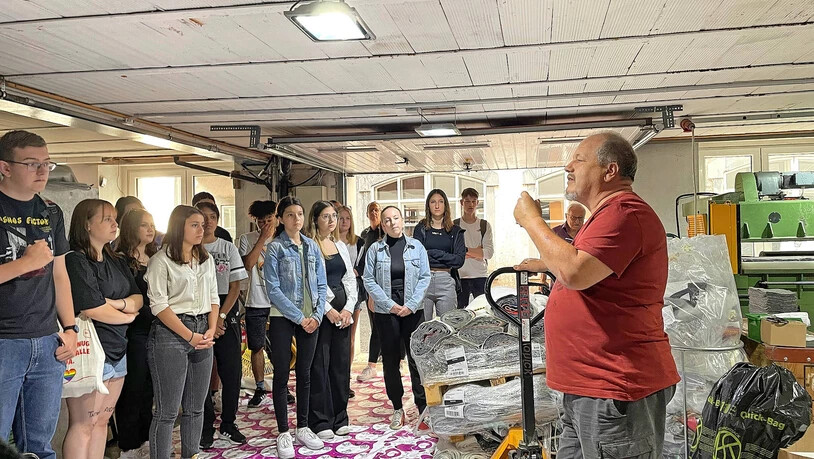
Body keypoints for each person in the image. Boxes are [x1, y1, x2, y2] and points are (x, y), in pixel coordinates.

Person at [513, 132, 679, 459]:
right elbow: (587, 269)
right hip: (589, 390)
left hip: (614, 389)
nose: (567, 165)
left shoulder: (625, 212)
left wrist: (532, 220)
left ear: (609, 171)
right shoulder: (604, 217)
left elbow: (575, 271)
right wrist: (548, 263)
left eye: (579, 159)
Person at [0, 130, 77, 459]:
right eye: (32, 164)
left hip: (47, 341)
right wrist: (25, 263)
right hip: (4, 341)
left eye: (47, 163)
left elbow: (59, 273)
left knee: (41, 448)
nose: (43, 171)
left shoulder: (50, 211)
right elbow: (33, 264)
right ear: (4, 167)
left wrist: (71, 328)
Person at [63, 199, 144, 459]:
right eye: (106, 218)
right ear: (87, 225)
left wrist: (120, 304)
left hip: (117, 349)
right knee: (83, 423)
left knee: (101, 423)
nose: (114, 223)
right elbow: (91, 308)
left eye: (114, 218)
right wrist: (128, 316)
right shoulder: (75, 260)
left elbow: (138, 297)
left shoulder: (116, 259)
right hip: (89, 352)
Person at [146, 205, 218, 459]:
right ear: (180, 227)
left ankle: (192, 454)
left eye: (203, 224)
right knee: (166, 411)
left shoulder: (204, 259)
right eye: (195, 225)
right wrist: (189, 335)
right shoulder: (161, 261)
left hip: (202, 329)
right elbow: (159, 306)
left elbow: (213, 296)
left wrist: (210, 328)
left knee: (196, 407)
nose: (202, 229)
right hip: (171, 333)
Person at [263, 196, 327, 459]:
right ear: (281, 219)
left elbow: (321, 285)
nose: (296, 219)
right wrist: (298, 317)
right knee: (281, 375)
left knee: (305, 373)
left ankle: (302, 426)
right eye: (290, 214)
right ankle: (283, 431)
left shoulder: (312, 247)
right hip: (282, 317)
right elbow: (273, 289)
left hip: (311, 317)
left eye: (299, 214)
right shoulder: (275, 248)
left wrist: (317, 315)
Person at [362, 206, 431, 430]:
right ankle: (397, 407)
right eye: (387, 220)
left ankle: (423, 408)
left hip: (413, 311)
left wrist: (410, 305)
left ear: (402, 220)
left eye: (395, 218)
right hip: (386, 312)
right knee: (391, 361)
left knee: (416, 360)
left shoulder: (416, 247)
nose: (392, 223)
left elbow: (425, 276)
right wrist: (390, 305)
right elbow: (368, 280)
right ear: (382, 225)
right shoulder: (375, 250)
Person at [196, 201, 249, 448]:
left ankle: (228, 423)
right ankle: (205, 426)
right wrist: (209, 320)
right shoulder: (190, 248)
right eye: (201, 217)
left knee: (231, 372)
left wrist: (222, 318)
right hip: (197, 313)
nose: (207, 222)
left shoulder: (227, 248)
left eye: (211, 217)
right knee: (202, 375)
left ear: (217, 220)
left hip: (225, 311)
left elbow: (235, 285)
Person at [306, 201, 357, 440]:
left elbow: (349, 279)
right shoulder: (310, 245)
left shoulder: (340, 245)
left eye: (334, 216)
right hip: (321, 312)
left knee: (340, 365)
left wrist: (348, 308)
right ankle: (320, 420)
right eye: (325, 216)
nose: (331, 220)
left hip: (343, 312)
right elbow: (312, 282)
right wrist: (327, 309)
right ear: (315, 219)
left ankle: (340, 417)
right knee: (320, 366)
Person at [240, 200, 296, 408]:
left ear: (276, 218)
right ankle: (260, 387)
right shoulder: (246, 239)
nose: (265, 225)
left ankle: (283, 386)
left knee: (282, 347)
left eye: (269, 220)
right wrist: (262, 239)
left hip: (280, 301)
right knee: (256, 346)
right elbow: (247, 264)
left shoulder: (285, 239)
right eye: (260, 222)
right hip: (255, 300)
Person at [114, 209, 158, 459]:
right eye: (144, 225)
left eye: (152, 224)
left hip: (156, 329)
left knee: (150, 388)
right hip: (133, 331)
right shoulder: (120, 260)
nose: (150, 229)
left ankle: (146, 439)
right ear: (131, 228)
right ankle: (129, 445)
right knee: (133, 387)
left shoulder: (156, 256)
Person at [413, 189, 466, 320]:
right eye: (433, 202)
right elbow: (416, 258)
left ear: (445, 205)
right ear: (428, 205)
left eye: (440, 202)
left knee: (448, 327)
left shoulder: (455, 231)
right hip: (423, 280)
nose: (437, 206)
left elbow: (459, 261)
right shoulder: (420, 229)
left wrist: (432, 253)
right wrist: (446, 257)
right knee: (422, 329)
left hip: (446, 281)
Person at [337, 205, 365, 399]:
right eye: (340, 218)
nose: (344, 222)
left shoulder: (359, 242)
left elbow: (360, 268)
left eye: (347, 218)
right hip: (334, 294)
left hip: (353, 292)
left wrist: (353, 273)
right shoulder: (329, 242)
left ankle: (346, 379)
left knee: (350, 338)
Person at [356, 201, 383, 383]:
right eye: (370, 210)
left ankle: (396, 360)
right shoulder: (365, 235)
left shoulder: (386, 231)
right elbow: (362, 260)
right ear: (367, 214)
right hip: (369, 285)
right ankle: (372, 364)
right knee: (375, 325)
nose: (374, 213)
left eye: (376, 210)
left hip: (387, 285)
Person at [454, 188, 493, 308]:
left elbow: (489, 253)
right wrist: (477, 251)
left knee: (482, 311)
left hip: (480, 275)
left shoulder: (484, 225)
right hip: (460, 275)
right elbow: (453, 253)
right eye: (467, 201)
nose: (470, 204)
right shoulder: (454, 225)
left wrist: (464, 251)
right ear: (461, 203)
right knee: (459, 314)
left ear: (477, 203)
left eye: (473, 201)